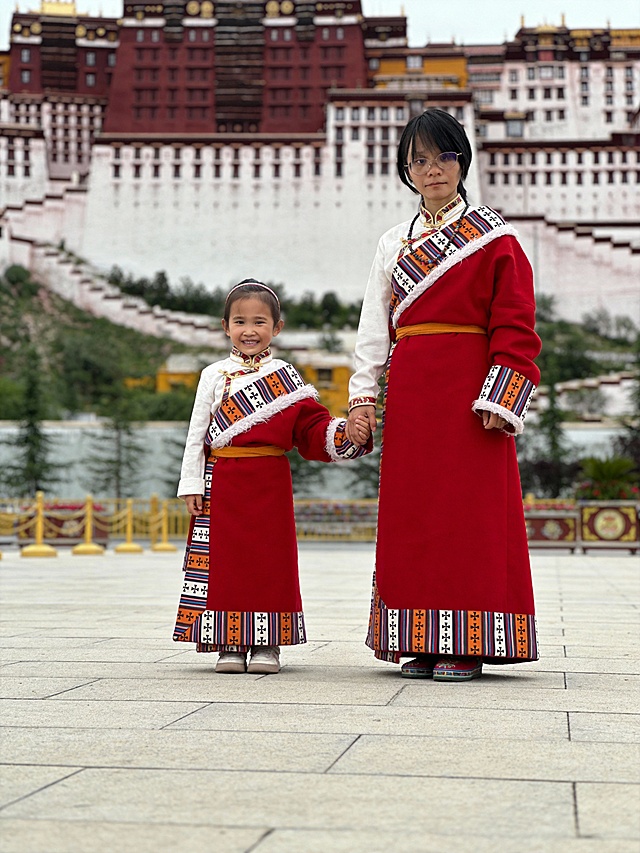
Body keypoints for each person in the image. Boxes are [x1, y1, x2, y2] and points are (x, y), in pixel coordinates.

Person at [345, 108, 542, 682]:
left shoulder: (495, 237)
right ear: (408, 171)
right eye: (419, 161)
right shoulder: (392, 244)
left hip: (471, 395)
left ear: (462, 161)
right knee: (414, 515)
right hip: (411, 393)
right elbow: (372, 326)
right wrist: (363, 397)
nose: (432, 170)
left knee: (469, 515)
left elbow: (516, 322)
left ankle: (469, 643)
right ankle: (419, 639)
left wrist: (502, 395)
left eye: (443, 157)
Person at [173, 280, 372, 674]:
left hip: (270, 481)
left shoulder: (287, 377)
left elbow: (312, 430)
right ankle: (228, 641)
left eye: (260, 322)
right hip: (222, 479)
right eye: (240, 321)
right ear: (225, 326)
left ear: (277, 328)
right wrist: (191, 485)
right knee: (224, 562)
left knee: (270, 561)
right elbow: (197, 434)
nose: (250, 330)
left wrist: (347, 433)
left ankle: (268, 644)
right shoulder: (214, 375)